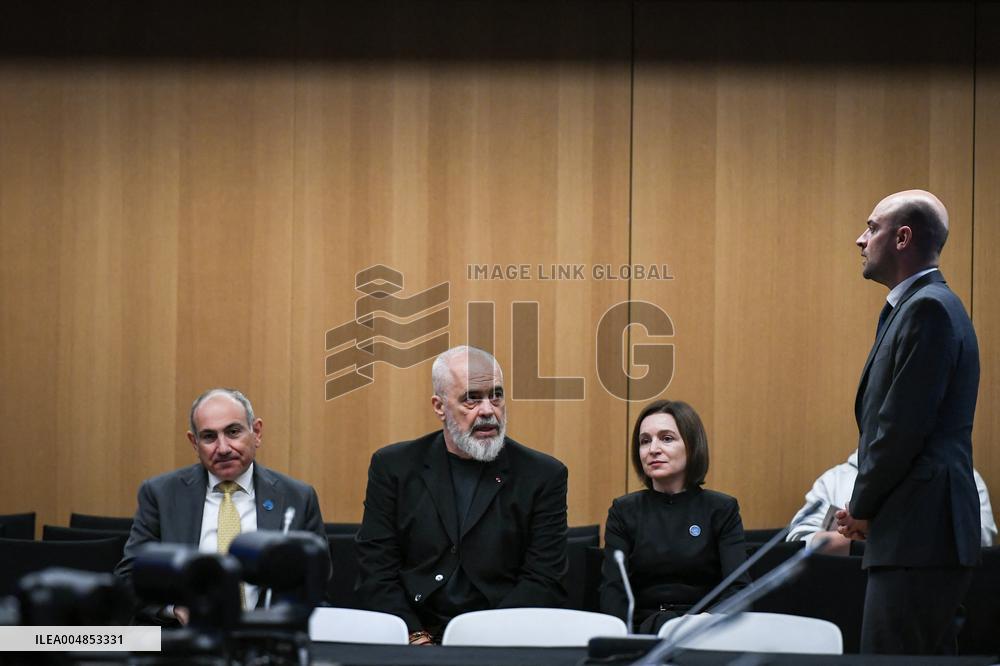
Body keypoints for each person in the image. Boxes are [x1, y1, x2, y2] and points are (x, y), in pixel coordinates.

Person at [836, 190, 981, 654]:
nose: (860, 240)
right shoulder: (917, 307)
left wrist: (861, 507)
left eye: (872, 227)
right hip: (918, 530)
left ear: (902, 237)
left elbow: (899, 429)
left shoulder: (928, 308)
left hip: (920, 534)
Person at [355, 346, 568, 644]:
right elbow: (376, 569)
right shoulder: (394, 467)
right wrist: (415, 636)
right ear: (439, 406)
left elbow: (543, 579)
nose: (487, 410)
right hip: (414, 636)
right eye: (471, 398)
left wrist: (484, 640)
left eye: (496, 395)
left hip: (503, 638)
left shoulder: (543, 475)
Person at [114, 388, 328, 625]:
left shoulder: (296, 497)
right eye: (209, 437)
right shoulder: (162, 494)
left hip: (266, 642)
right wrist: (174, 608)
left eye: (233, 432)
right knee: (74, 642)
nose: (223, 448)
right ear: (194, 443)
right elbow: (129, 579)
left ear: (256, 432)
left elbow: (316, 584)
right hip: (184, 643)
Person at [600, 399, 749, 634]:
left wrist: (703, 623)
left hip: (702, 631)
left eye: (666, 438)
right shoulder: (624, 510)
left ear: (692, 445)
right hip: (642, 632)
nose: (653, 449)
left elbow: (739, 589)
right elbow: (613, 591)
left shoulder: (721, 508)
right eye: (645, 441)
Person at [788, 449, 996, 554]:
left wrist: (876, 533)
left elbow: (979, 540)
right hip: (845, 603)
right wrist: (859, 541)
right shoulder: (835, 479)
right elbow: (797, 542)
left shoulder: (961, 477)